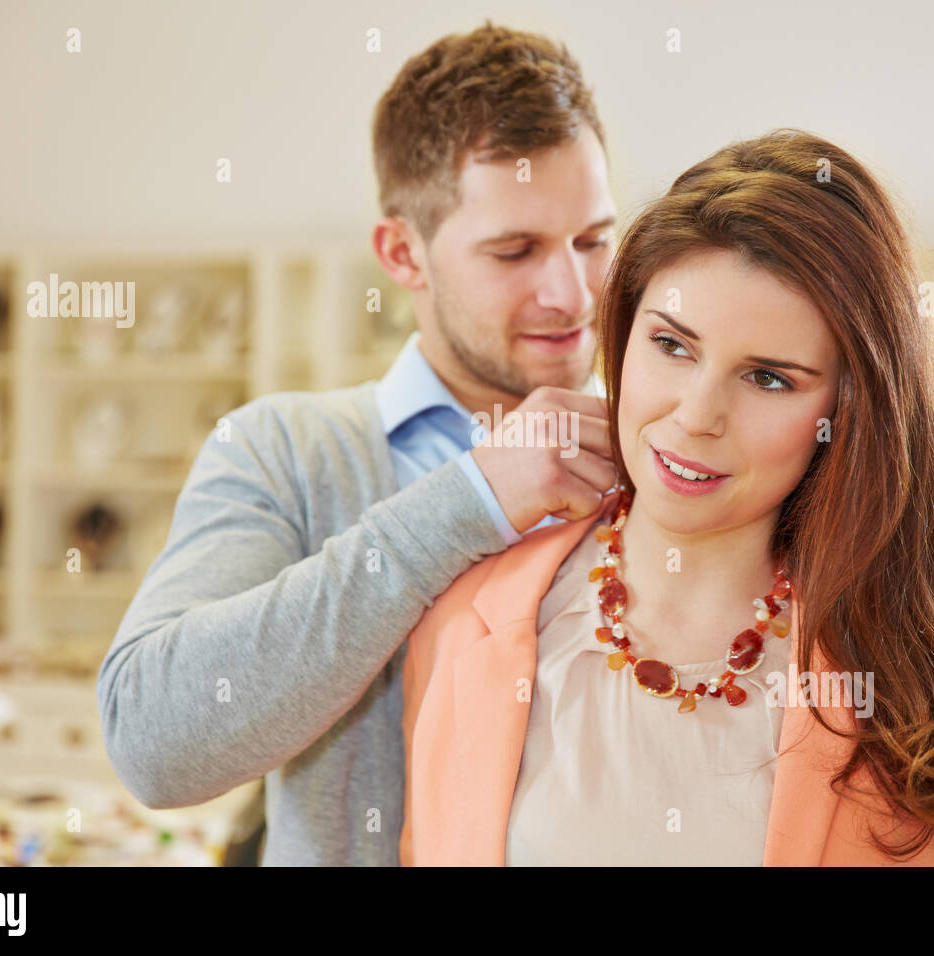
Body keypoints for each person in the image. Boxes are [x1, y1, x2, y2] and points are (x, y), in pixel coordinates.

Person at [400, 129, 934, 866]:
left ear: (846, 411)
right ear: (622, 335)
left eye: (769, 378)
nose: (695, 415)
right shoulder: (467, 620)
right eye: (672, 345)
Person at [97, 21, 620, 866]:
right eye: (514, 250)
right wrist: (470, 503)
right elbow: (152, 743)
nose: (571, 292)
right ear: (401, 252)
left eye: (594, 240)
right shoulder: (283, 450)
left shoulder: (665, 460)